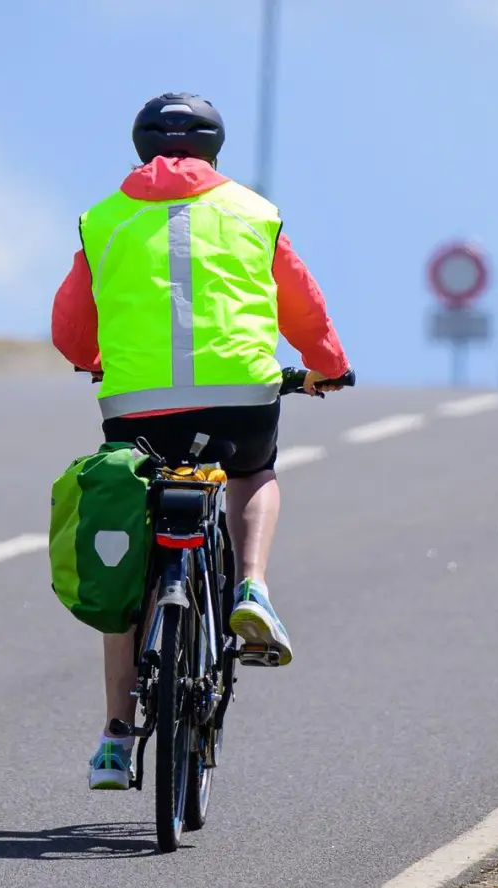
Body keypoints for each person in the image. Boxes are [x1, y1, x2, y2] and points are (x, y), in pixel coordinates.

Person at [50, 92, 352, 790]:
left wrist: (95, 360)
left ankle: (116, 736)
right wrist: (328, 368)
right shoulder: (254, 212)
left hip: (136, 409)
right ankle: (252, 587)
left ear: (140, 145)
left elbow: (70, 329)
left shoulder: (103, 219)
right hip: (240, 400)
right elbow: (303, 308)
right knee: (253, 472)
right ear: (214, 147)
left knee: (132, 566)